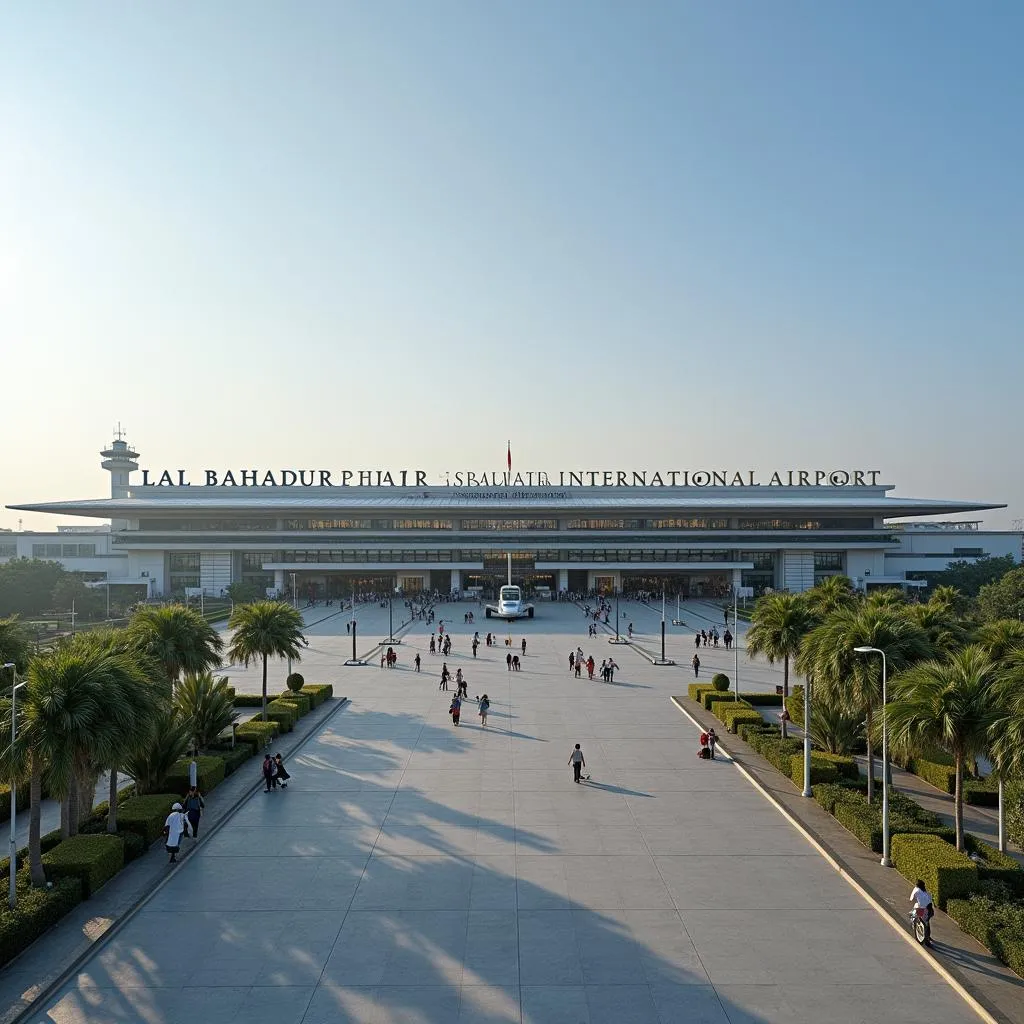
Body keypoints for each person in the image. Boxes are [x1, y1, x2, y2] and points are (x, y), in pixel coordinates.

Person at [911, 879, 934, 944]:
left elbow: (911, 899)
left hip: (921, 909)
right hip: (928, 909)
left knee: (917, 920)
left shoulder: (917, 891)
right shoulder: (926, 892)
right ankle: (928, 937)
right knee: (926, 923)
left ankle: (923, 938)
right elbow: (930, 901)